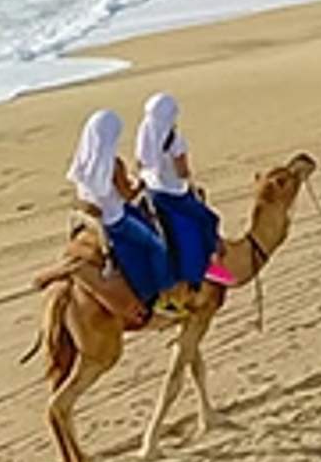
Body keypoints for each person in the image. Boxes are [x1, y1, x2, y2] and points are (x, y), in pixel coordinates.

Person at [65, 108, 176, 323]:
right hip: (117, 221)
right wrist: (141, 180)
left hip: (94, 222)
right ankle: (162, 296)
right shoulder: (113, 164)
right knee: (156, 246)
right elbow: (128, 194)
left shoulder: (82, 164)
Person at [131, 91, 221, 286]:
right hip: (171, 193)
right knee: (208, 220)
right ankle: (208, 264)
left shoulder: (143, 133)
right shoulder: (174, 138)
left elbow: (140, 163)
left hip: (150, 189)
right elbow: (182, 172)